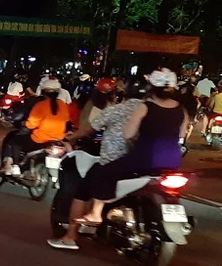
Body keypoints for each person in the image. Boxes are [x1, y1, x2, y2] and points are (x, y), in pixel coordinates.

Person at [75, 68, 188, 227]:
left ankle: (95, 214)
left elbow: (128, 134)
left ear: (151, 87)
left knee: (104, 172)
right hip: (173, 161)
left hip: (145, 159)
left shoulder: (145, 107)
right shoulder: (181, 110)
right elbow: (182, 135)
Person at [49, 78, 147, 250]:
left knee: (82, 190)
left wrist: (70, 137)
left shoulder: (116, 110)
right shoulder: (154, 111)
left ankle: (71, 236)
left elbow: (88, 129)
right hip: (145, 163)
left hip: (113, 160)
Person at [0, 78, 71, 176]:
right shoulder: (63, 105)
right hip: (58, 139)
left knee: (14, 141)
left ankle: (15, 166)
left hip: (39, 140)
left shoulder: (40, 105)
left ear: (43, 91)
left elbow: (31, 124)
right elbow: (67, 121)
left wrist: (24, 123)